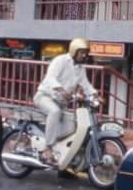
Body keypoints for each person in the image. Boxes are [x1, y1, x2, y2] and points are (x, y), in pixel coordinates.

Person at [33, 38, 98, 166]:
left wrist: (96, 95)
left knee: (71, 125)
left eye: (86, 52)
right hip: (45, 97)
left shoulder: (80, 68)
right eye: (82, 52)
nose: (84, 55)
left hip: (61, 102)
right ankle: (48, 148)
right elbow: (50, 79)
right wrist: (63, 91)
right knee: (55, 111)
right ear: (74, 51)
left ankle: (58, 149)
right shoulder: (60, 61)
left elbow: (86, 84)